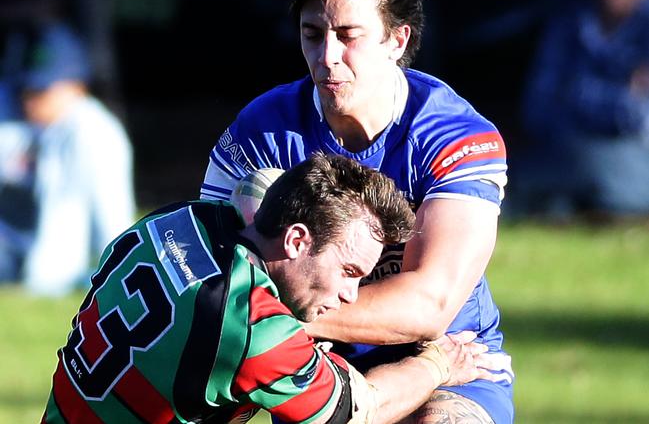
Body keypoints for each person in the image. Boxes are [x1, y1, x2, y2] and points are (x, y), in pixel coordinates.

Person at [200, 0, 513, 422]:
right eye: (312, 33)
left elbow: (430, 304)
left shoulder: (458, 138)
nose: (328, 56)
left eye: (349, 35)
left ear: (397, 40)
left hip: (448, 359)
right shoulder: (261, 132)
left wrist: (265, 320)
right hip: (305, 359)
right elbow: (208, 275)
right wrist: (258, 329)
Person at [42, 153, 502, 424]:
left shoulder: (173, 221)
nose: (350, 294)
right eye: (348, 270)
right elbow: (360, 410)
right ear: (297, 238)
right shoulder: (253, 328)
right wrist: (439, 363)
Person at [512, 0, 649, 218]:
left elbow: (641, 121)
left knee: (606, 168)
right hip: (564, 154)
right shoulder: (567, 21)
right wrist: (620, 97)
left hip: (633, 166)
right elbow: (537, 109)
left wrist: (577, 95)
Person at [0, 21, 135, 295]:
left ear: (76, 86)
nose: (30, 99)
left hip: (62, 274)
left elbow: (112, 225)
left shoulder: (93, 131)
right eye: (26, 90)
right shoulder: (28, 126)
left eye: (41, 90)